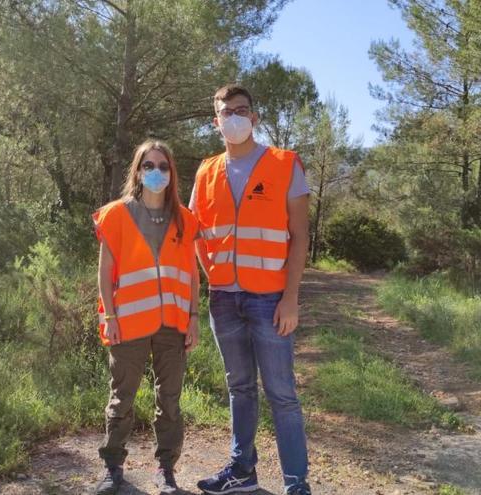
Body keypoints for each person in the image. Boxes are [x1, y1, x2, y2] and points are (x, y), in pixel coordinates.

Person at [190, 84, 312, 495]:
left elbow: (299, 237)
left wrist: (291, 299)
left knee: (282, 394)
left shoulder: (283, 163)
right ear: (216, 121)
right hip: (224, 299)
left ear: (255, 118)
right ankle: (243, 472)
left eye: (241, 110)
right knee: (239, 388)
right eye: (226, 112)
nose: (234, 117)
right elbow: (195, 233)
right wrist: (213, 278)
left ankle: (297, 484)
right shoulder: (206, 171)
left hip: (270, 300)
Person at [92, 140, 200, 495]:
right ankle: (112, 468)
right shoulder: (116, 214)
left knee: (168, 401)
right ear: (137, 171)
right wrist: (109, 315)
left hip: (173, 324)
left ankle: (166, 471)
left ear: (172, 173)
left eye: (163, 166)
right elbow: (105, 272)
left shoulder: (185, 219)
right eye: (149, 165)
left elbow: (193, 273)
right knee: (122, 398)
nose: (157, 172)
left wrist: (195, 316)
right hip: (128, 322)